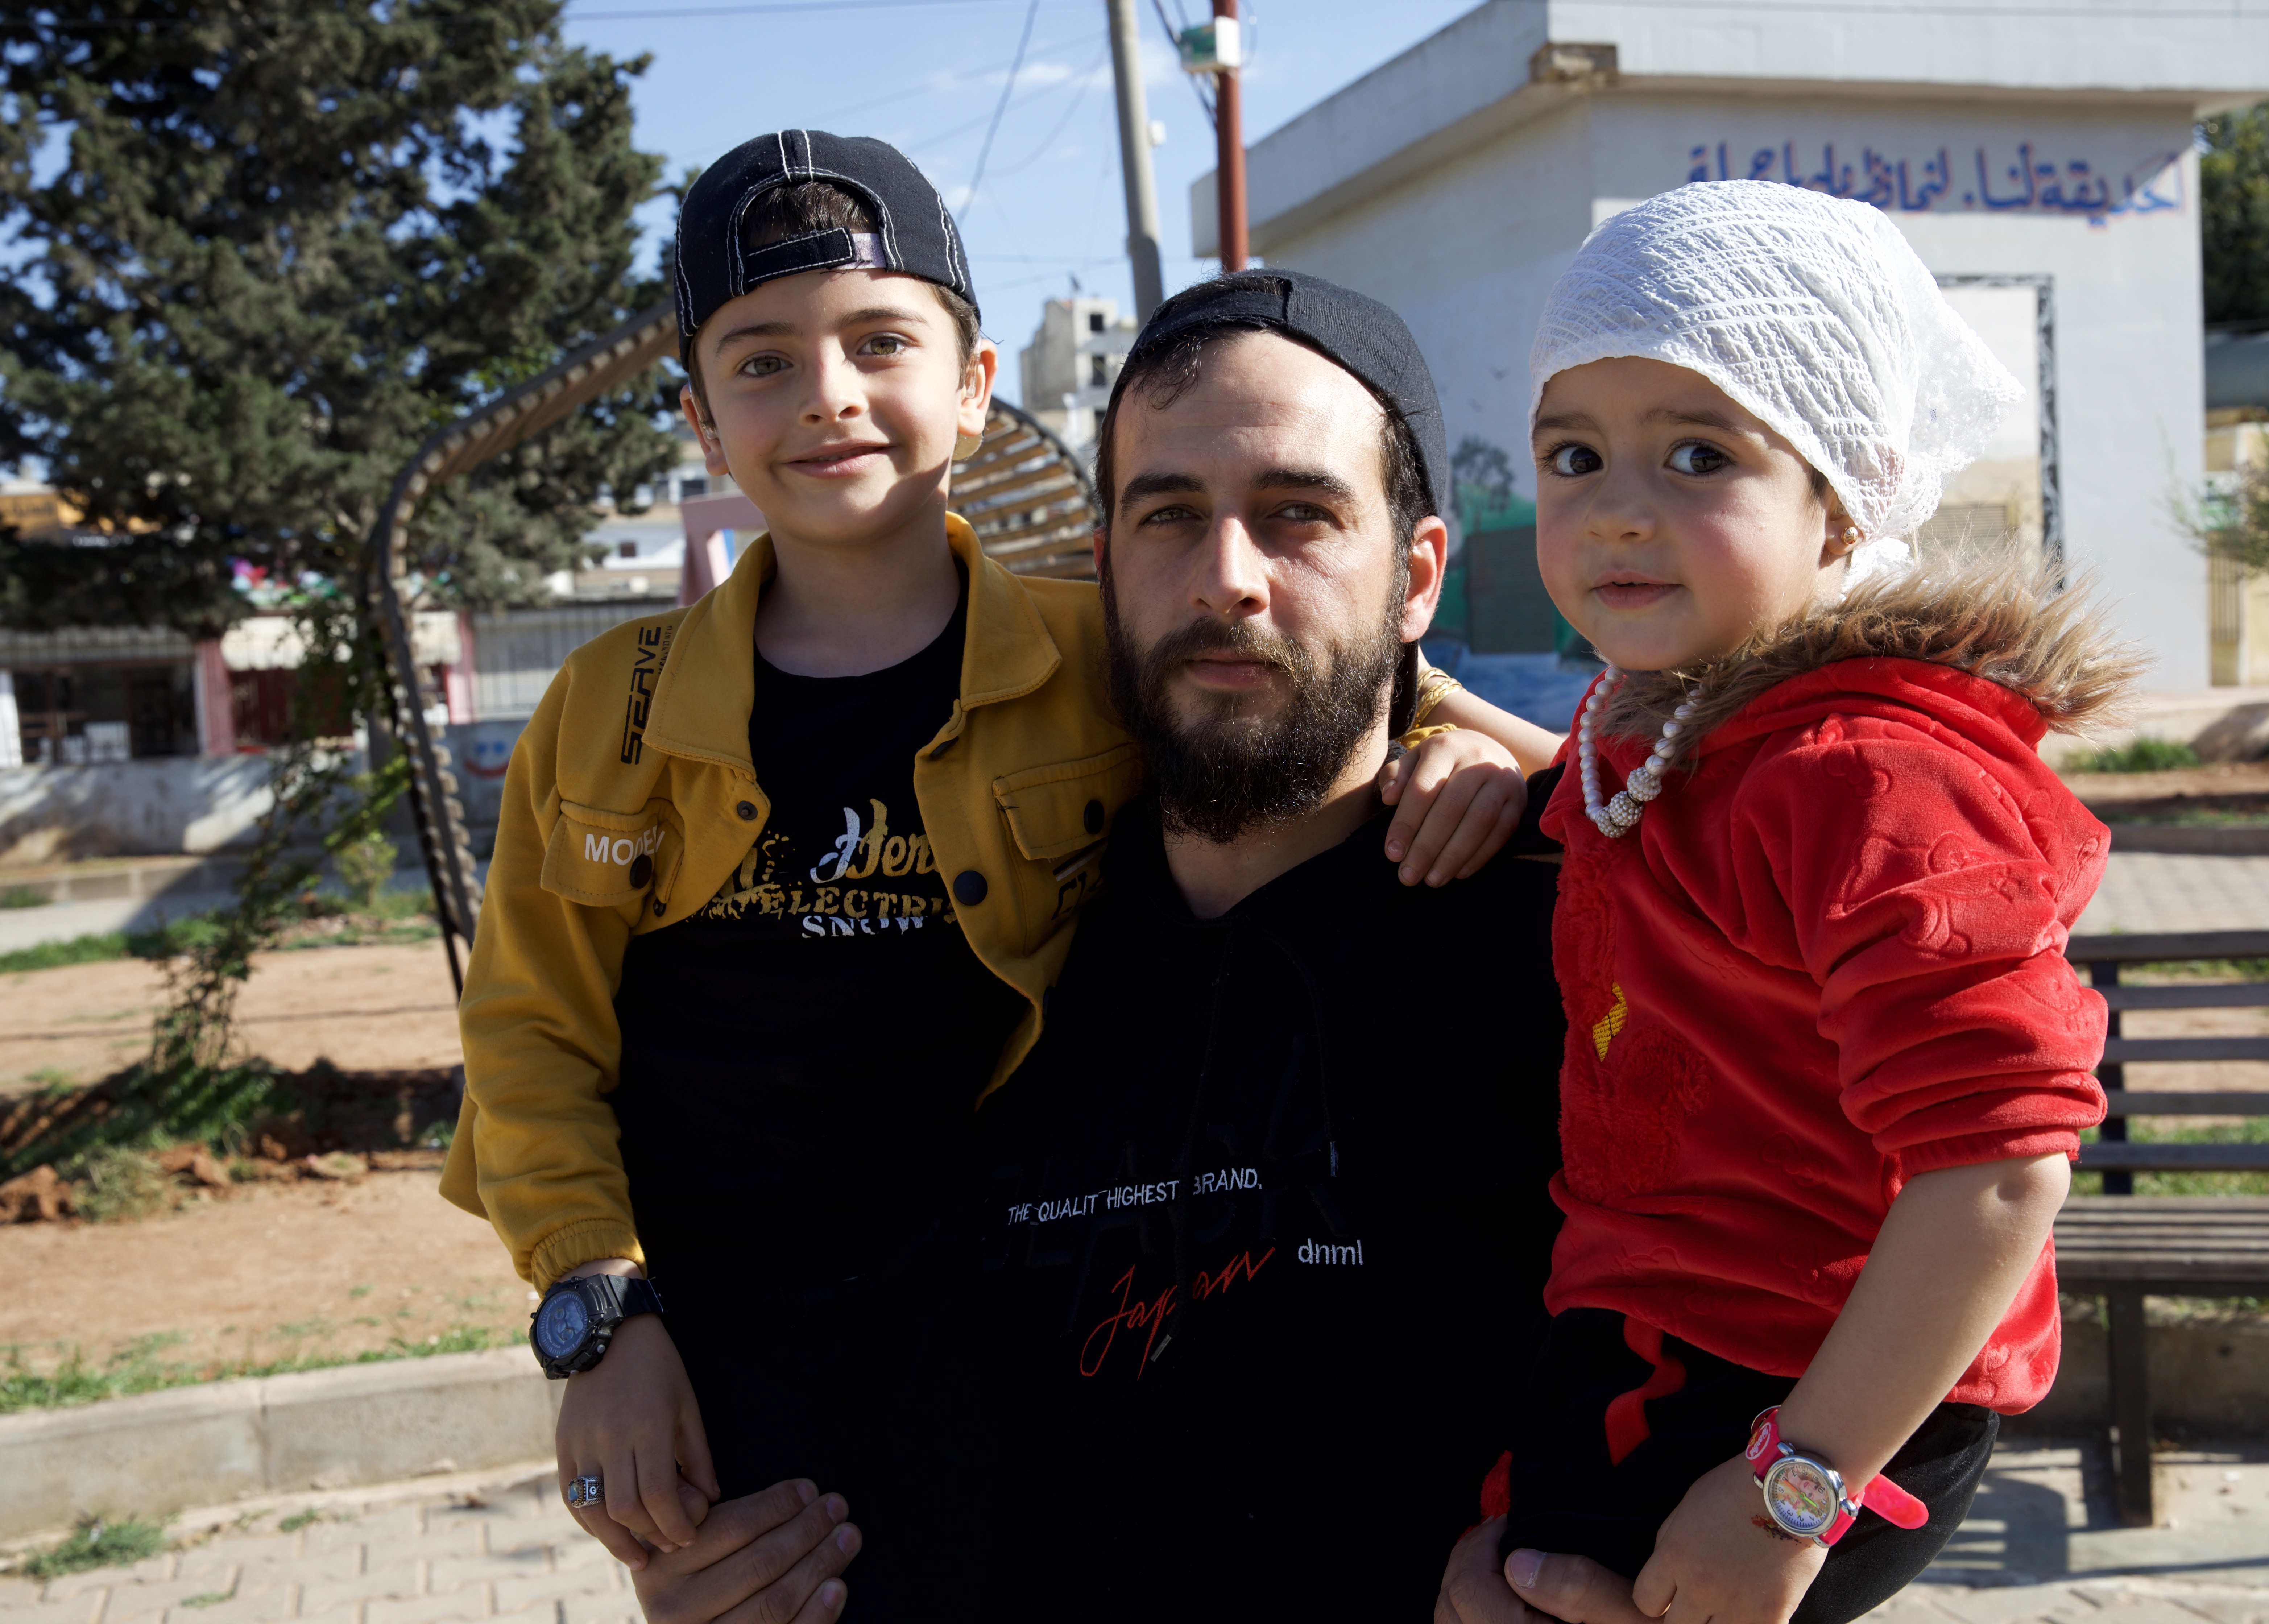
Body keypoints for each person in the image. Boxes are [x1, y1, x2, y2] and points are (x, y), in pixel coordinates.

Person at [440, 132, 1545, 1621]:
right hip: (737, 1339)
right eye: (761, 361)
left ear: (974, 381)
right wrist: (601, 1322)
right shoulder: (612, 711)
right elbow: (530, 1037)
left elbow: (1288, 677)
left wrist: (1462, 741)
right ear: (699, 422)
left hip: (965, 1316)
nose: (828, 395)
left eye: (880, 342)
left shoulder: (1088, 650)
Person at [1436, 181, 2141, 1624]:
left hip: (1798, 1372)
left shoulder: (1873, 774)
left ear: (1844, 496)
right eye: (1574, 454)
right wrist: (1468, 737)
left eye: (1700, 453)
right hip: (1663, 1325)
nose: (1619, 508)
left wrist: (1792, 1488)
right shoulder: (1665, 724)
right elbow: (1649, 837)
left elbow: (2001, 1167)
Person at [972, 270, 1572, 1622]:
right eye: (1168, 516)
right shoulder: (998, 943)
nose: (1226, 580)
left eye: (1298, 516)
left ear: (1418, 574)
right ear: (1104, 560)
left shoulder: (1562, 949)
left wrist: (1597, 1544)